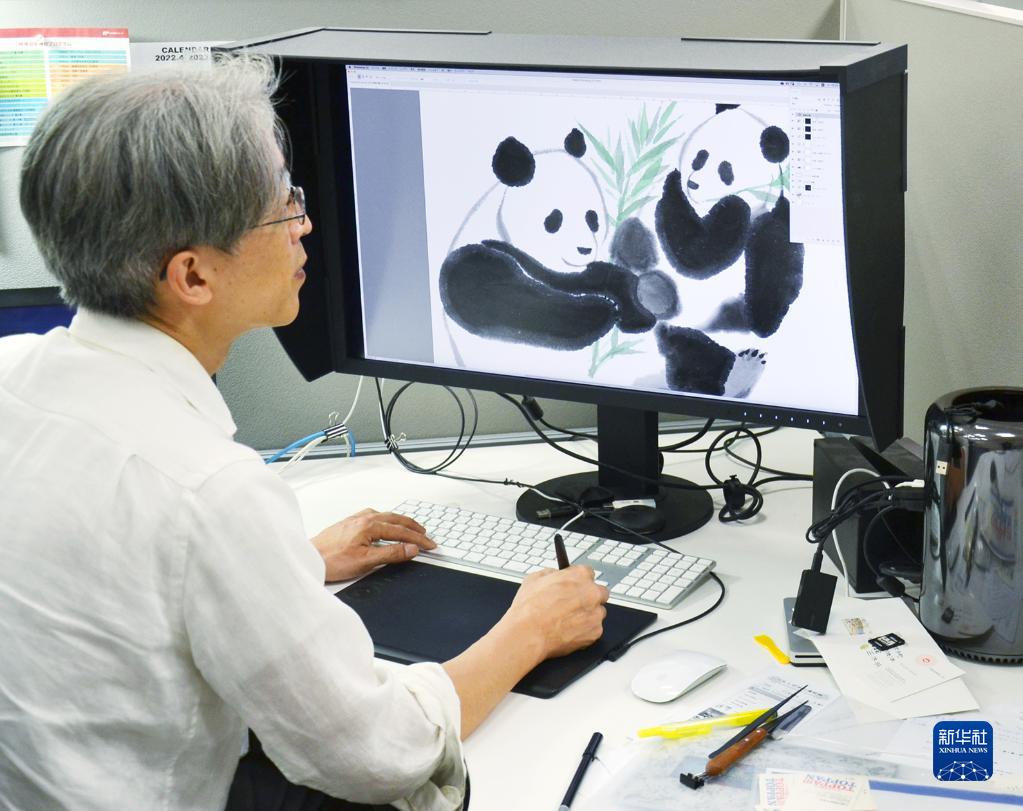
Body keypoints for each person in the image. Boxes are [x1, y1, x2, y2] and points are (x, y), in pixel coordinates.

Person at [0, 56, 608, 811]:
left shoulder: (12, 373)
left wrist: (288, 565)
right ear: (192, 276)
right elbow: (376, 754)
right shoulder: (211, 492)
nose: (305, 224)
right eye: (283, 205)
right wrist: (529, 631)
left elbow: (105, 580)